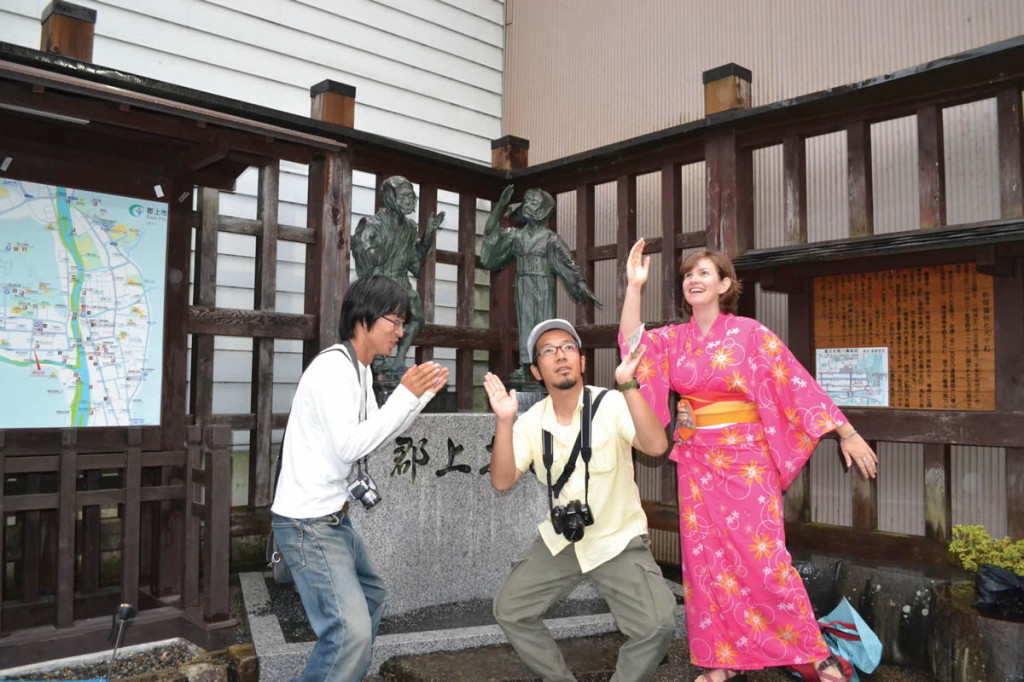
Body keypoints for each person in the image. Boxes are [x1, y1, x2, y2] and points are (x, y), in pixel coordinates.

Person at [618, 239, 879, 682]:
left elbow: (795, 383)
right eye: (688, 275)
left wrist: (845, 431)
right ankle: (723, 660)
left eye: (704, 273)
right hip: (698, 463)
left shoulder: (750, 334)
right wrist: (633, 286)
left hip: (746, 461)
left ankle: (812, 651)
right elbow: (633, 346)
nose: (694, 280)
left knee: (767, 561)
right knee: (705, 564)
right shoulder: (675, 340)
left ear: (724, 284)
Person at [270, 275, 448, 682]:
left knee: (371, 598)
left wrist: (416, 398)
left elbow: (373, 437)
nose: (400, 333)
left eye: (404, 324)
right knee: (349, 633)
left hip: (332, 517)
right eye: (396, 321)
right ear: (364, 318)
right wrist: (405, 395)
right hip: (308, 524)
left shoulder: (359, 369)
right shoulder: (333, 369)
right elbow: (350, 447)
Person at [484, 318, 677, 682]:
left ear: (582, 361)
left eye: (568, 348)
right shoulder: (529, 423)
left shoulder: (614, 404)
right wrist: (505, 422)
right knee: (510, 609)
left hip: (617, 539)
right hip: (562, 540)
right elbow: (502, 481)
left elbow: (656, 446)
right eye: (548, 351)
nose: (560, 356)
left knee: (657, 624)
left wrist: (628, 384)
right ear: (536, 371)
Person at [481, 184, 601, 386]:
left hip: (544, 285)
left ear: (544, 209)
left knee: (543, 325)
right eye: (527, 201)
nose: (528, 205)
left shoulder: (550, 238)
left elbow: (567, 263)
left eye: (534, 203)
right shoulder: (516, 235)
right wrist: (501, 204)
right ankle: (527, 366)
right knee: (525, 324)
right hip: (523, 285)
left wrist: (579, 284)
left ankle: (542, 363)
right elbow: (491, 235)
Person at [352, 175, 444, 380]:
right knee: (380, 322)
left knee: (417, 320)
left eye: (411, 196)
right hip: (381, 281)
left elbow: (415, 261)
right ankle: (377, 359)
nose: (409, 201)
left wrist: (428, 235)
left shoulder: (410, 228)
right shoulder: (371, 223)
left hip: (402, 281)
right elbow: (366, 255)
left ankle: (399, 361)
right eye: (403, 196)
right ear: (389, 198)